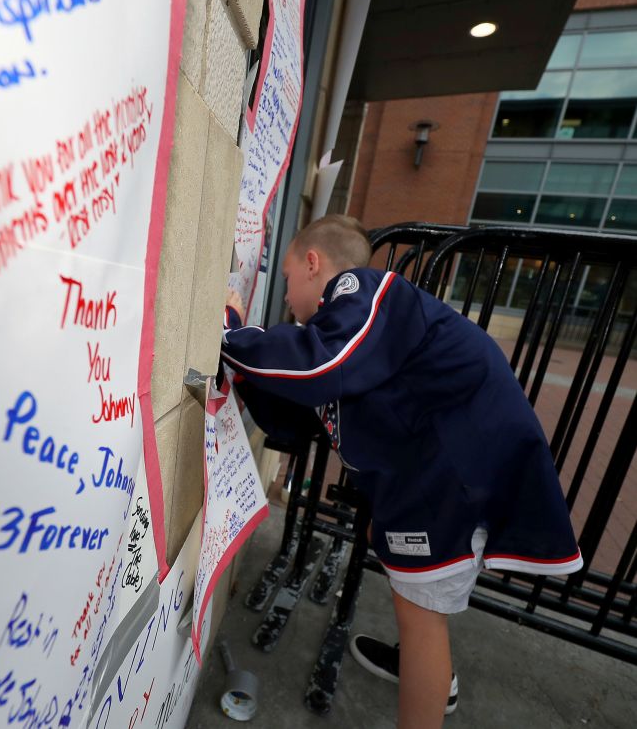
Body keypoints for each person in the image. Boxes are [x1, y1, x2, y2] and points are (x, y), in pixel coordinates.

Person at [220, 214, 583, 728]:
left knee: (421, 618)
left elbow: (317, 364)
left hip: (455, 474)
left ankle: (429, 682)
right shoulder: (350, 326)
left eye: (284, 277)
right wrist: (245, 375)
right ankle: (437, 680)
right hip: (436, 473)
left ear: (312, 262)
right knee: (408, 581)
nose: (284, 294)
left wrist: (230, 333)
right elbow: (302, 414)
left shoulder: (362, 289)